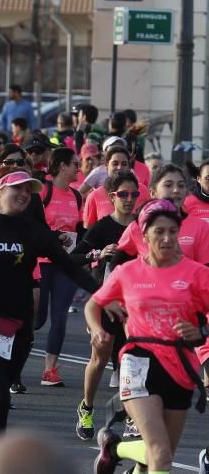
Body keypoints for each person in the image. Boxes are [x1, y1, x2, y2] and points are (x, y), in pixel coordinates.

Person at [0, 168, 99, 474]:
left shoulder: (33, 232)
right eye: (18, 189)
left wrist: (107, 294)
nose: (24, 194)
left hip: (19, 327)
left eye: (29, 191)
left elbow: (69, 267)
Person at [90, 199, 209, 474]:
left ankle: (114, 448)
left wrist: (201, 331)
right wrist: (97, 329)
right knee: (159, 452)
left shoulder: (198, 274)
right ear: (144, 235)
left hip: (180, 364)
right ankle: (117, 449)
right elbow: (93, 303)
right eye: (159, 232)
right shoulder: (128, 271)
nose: (167, 238)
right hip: (138, 360)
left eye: (172, 231)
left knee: (161, 455)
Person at [72, 172, 140, 441]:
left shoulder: (142, 226)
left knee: (131, 362)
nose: (129, 199)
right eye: (123, 194)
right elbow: (75, 257)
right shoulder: (102, 228)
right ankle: (86, 407)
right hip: (104, 300)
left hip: (134, 304)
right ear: (112, 197)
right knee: (100, 359)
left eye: (134, 194)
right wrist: (98, 253)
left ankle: (132, 415)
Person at [34, 147, 85, 387]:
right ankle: (7, 356)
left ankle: (49, 371)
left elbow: (79, 229)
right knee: (37, 318)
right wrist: (53, 237)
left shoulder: (76, 196)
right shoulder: (44, 191)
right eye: (75, 164)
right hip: (41, 263)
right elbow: (34, 225)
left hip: (65, 264)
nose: (79, 168)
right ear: (62, 166)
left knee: (60, 317)